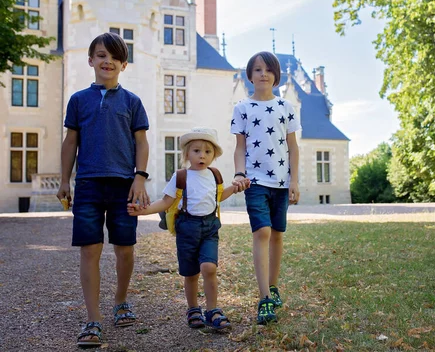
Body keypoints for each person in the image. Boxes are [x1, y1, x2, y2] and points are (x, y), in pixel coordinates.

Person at [56, 32, 151, 348]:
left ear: (123, 64)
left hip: (124, 184)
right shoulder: (78, 100)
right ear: (90, 61)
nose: (106, 60)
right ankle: (92, 319)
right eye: (100, 55)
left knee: (124, 248)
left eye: (113, 56)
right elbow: (70, 143)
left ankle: (121, 300)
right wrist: (63, 180)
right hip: (87, 185)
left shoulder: (132, 102)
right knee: (90, 250)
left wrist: (140, 177)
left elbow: (141, 142)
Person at [127, 127, 250, 330]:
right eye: (197, 151)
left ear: (213, 156)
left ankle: (212, 310)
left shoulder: (215, 175)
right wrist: (142, 211)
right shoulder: (181, 176)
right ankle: (193, 309)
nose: (202, 155)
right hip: (187, 228)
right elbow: (166, 202)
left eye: (207, 152)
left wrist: (236, 188)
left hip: (210, 227)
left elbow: (218, 196)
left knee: (209, 267)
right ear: (187, 154)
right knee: (191, 274)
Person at [230, 51, 301, 325]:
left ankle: (273, 286)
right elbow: (240, 148)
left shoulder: (286, 107)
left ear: (276, 75)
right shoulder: (242, 108)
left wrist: (294, 181)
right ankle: (264, 299)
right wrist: (239, 173)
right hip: (254, 181)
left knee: (277, 236)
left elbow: (293, 147)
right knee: (262, 232)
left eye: (268, 69)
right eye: (257, 69)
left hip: (282, 183)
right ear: (250, 76)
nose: (263, 74)